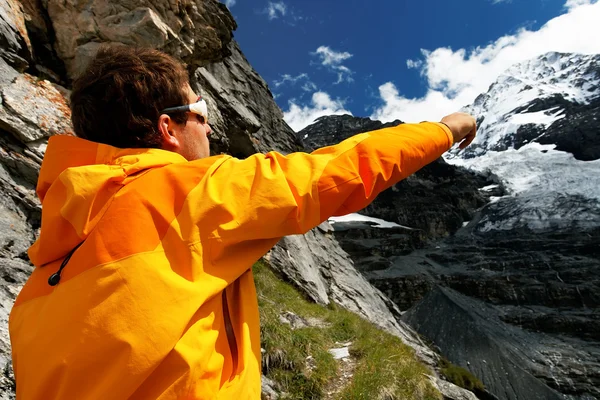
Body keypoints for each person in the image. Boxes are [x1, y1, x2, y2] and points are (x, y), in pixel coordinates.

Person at [8, 45, 476, 399]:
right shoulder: (189, 191)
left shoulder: (54, 252)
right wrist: (446, 129)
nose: (209, 126)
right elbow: (335, 172)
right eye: (201, 111)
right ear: (168, 130)